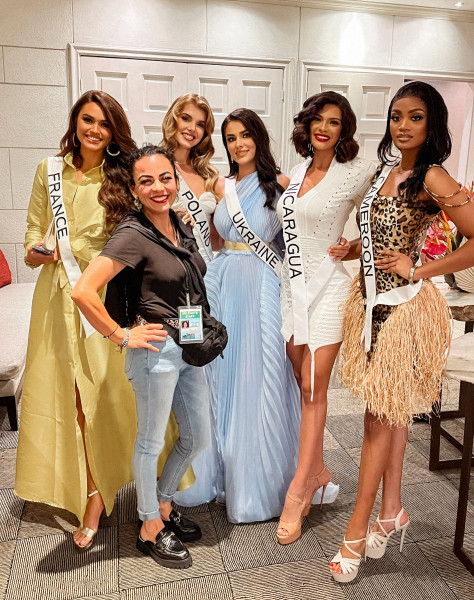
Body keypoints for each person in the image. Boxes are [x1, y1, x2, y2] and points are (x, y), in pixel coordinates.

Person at [15, 91, 193, 552]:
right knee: (73, 399)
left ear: (114, 132)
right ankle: (93, 495)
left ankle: (148, 494)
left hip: (104, 299)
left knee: (114, 399)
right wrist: (38, 252)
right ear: (75, 122)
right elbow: (31, 239)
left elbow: (149, 225)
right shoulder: (47, 171)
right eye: (87, 120)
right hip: (56, 301)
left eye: (104, 123)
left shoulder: (120, 177)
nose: (95, 129)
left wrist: (175, 217)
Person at [329, 81, 474, 582]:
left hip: (403, 309)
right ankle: (391, 511)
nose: (403, 126)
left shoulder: (433, 175)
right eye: (396, 116)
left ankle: (355, 531)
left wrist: (420, 268)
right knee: (389, 413)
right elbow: (382, 234)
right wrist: (354, 249)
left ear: (431, 124)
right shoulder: (387, 172)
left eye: (415, 117)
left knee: (376, 419)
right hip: (370, 305)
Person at [72, 145, 212, 569]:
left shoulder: (179, 223)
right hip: (155, 350)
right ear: (133, 189)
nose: (158, 187)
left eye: (165, 178)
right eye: (146, 181)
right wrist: (120, 334)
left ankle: (163, 504)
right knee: (150, 442)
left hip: (187, 343)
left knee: (197, 437)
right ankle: (149, 524)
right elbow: (83, 291)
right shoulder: (132, 233)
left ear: (176, 180)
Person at [186, 107, 301, 523]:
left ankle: (259, 483)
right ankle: (223, 473)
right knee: (222, 373)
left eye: (245, 135)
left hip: (262, 284)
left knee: (258, 372)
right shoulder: (221, 185)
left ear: (259, 137)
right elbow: (217, 242)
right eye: (231, 138)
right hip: (223, 283)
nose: (238, 144)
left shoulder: (282, 184)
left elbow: (292, 245)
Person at [276, 91, 376, 544]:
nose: (324, 127)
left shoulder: (356, 171)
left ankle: (299, 491)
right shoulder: (297, 171)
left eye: (334, 122)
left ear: (344, 129)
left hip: (329, 288)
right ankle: (316, 469)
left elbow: (379, 218)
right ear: (307, 124)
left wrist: (353, 247)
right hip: (292, 289)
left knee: (314, 388)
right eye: (318, 119)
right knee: (303, 384)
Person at [159, 93, 220, 264]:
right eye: (186, 118)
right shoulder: (157, 166)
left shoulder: (207, 173)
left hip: (206, 267)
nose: (192, 128)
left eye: (200, 124)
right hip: (173, 264)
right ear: (173, 120)